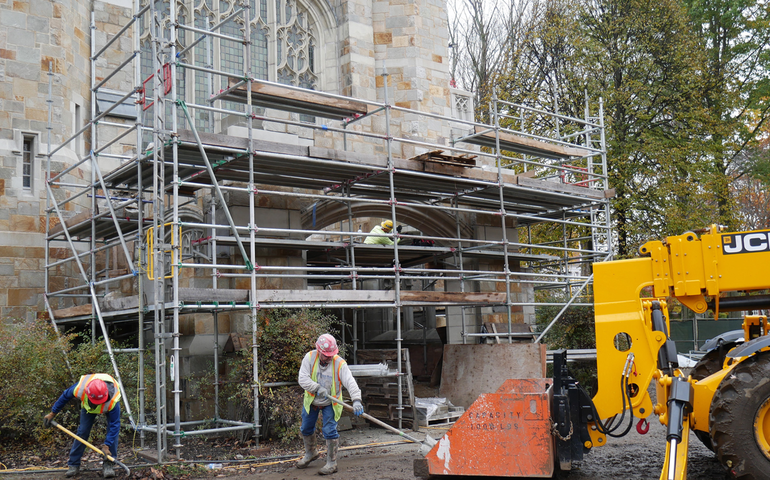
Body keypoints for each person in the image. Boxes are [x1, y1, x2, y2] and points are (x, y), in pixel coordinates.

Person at [297, 334, 364, 475]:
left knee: (329, 431)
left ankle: (332, 463)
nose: (328, 357)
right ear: (319, 351)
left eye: (330, 355)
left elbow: (350, 382)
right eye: (326, 355)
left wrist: (356, 400)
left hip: (331, 403)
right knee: (306, 428)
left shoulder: (340, 364)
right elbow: (302, 379)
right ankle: (311, 453)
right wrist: (316, 388)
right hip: (312, 400)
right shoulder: (309, 358)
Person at [44, 374, 122, 479]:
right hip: (88, 408)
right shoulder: (79, 388)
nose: (97, 405)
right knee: (82, 432)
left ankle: (109, 464)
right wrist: (52, 413)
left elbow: (114, 425)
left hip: (109, 406)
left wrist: (107, 445)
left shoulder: (113, 400)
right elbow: (64, 397)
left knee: (112, 433)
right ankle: (74, 464)